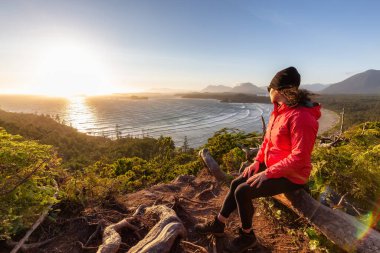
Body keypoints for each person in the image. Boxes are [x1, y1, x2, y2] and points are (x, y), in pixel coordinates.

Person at [195, 66, 321, 253]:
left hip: (292, 175)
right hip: (274, 166)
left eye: (269, 89)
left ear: (277, 90)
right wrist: (257, 162)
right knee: (237, 182)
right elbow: (267, 142)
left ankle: (247, 236)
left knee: (243, 192)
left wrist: (268, 173)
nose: (268, 93)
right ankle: (219, 224)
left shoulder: (301, 117)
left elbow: (300, 157)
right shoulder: (280, 110)